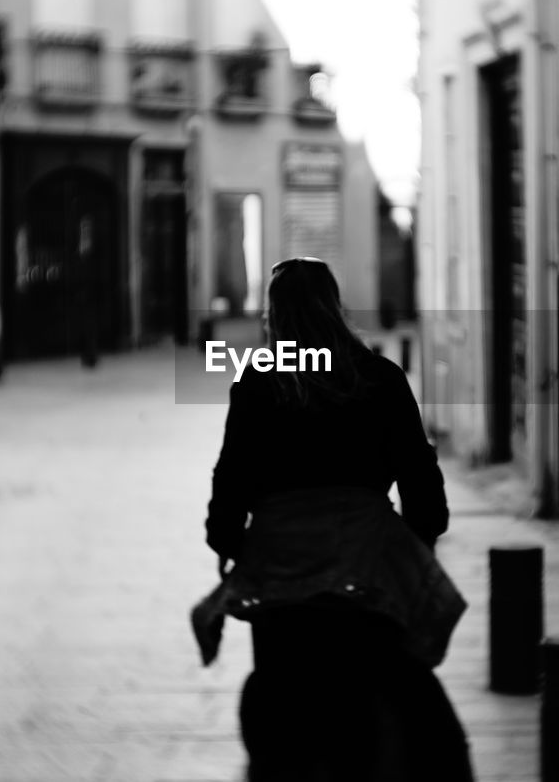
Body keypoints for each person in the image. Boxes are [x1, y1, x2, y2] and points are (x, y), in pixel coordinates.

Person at [203, 257, 475, 781]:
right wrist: (416, 543)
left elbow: (230, 478)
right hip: (366, 568)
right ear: (336, 307)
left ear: (273, 318)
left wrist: (229, 543)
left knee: (280, 701)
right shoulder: (380, 377)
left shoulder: (258, 384)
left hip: (282, 573)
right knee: (390, 695)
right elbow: (423, 488)